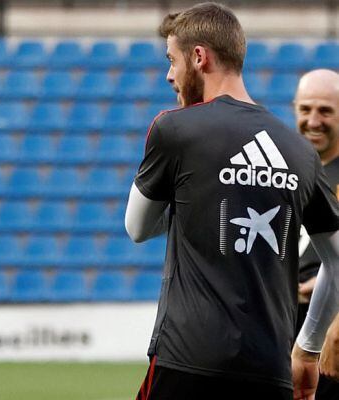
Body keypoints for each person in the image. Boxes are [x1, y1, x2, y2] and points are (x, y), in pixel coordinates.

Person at [123, 3, 339, 399]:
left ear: (199, 56)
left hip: (187, 358)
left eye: (172, 60)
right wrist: (308, 348)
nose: (170, 74)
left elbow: (136, 229)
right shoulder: (300, 152)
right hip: (270, 368)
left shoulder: (174, 128)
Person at [292, 69, 339, 399]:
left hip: (331, 340)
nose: (313, 121)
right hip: (281, 333)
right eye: (306, 109)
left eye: (325, 111)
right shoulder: (282, 172)